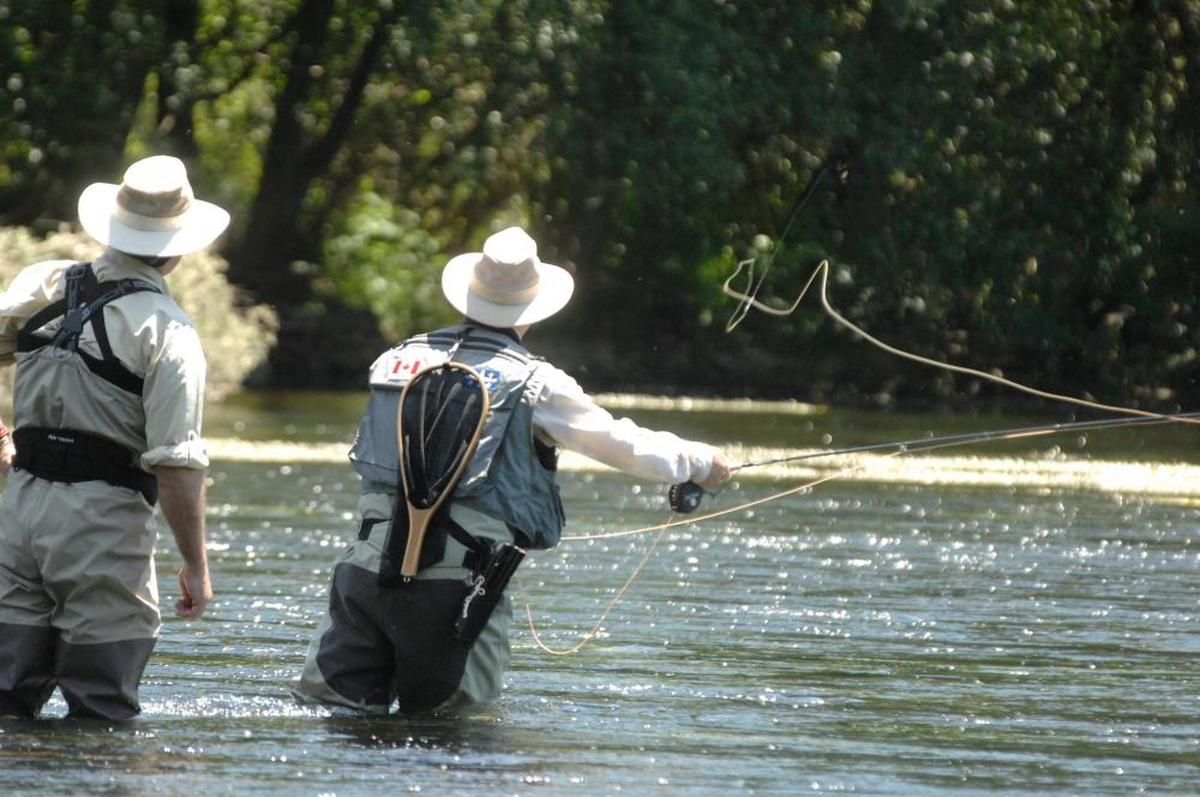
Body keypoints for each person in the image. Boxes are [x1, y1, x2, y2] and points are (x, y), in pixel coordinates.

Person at [295, 225, 731, 714]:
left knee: (334, 723)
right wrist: (699, 461)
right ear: (533, 308)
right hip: (455, 593)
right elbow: (620, 444)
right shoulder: (537, 383)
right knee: (455, 744)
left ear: (469, 296)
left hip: (360, 577)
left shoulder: (396, 360)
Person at [0, 155, 228, 720]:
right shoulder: (167, 331)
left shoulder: (41, 284)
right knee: (100, 711)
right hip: (102, 527)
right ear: (179, 249)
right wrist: (195, 565)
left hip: (15, 512)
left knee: (5, 704)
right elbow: (176, 464)